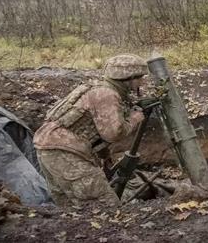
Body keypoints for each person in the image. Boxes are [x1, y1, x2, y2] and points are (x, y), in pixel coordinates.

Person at [34, 54, 147, 205]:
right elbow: (114, 133)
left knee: (70, 208)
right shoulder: (107, 94)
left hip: (48, 148)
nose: (143, 82)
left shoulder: (96, 88)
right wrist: (135, 118)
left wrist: (103, 155)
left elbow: (87, 126)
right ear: (130, 77)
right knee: (105, 206)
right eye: (141, 77)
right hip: (65, 152)